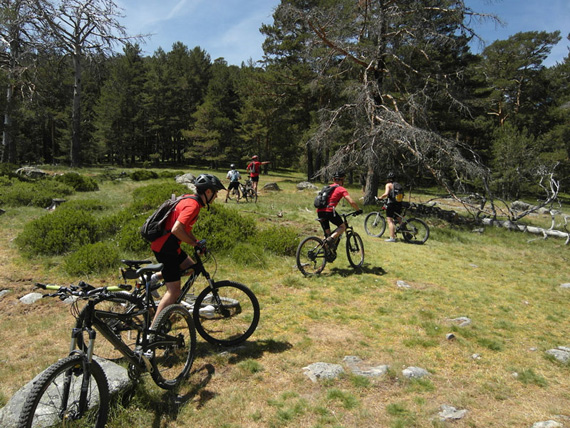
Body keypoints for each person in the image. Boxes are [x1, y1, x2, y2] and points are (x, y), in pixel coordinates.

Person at [149, 173, 225, 322]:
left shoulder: (189, 199)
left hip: (169, 246)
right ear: (208, 192)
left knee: (192, 268)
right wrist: (193, 243)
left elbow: (184, 229)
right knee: (174, 291)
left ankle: (154, 278)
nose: (216, 196)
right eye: (215, 193)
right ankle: (154, 330)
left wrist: (195, 242)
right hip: (166, 248)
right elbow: (177, 230)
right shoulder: (193, 205)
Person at [316, 170, 362, 245]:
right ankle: (330, 239)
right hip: (329, 211)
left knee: (327, 234)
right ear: (343, 179)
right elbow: (351, 202)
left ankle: (325, 251)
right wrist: (358, 210)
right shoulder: (341, 189)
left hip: (320, 211)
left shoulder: (327, 187)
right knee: (342, 227)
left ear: (334, 179)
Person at [378, 172, 403, 242]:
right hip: (399, 203)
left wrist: (380, 197)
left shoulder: (388, 185)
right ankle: (407, 234)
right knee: (399, 219)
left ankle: (392, 238)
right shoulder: (398, 185)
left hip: (391, 204)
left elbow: (386, 194)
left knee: (390, 220)